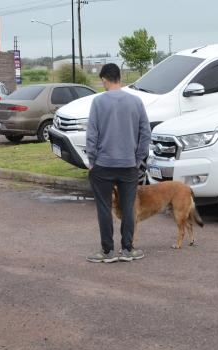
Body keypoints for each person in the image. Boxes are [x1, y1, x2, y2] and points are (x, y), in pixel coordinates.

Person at [85, 63, 151, 263]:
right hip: (128, 165)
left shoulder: (98, 102)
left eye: (102, 81)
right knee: (128, 206)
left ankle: (107, 252)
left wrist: (92, 161)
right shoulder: (136, 102)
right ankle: (127, 249)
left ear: (105, 79)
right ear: (119, 78)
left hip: (103, 164)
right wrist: (138, 159)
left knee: (104, 207)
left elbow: (92, 135)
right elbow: (145, 134)